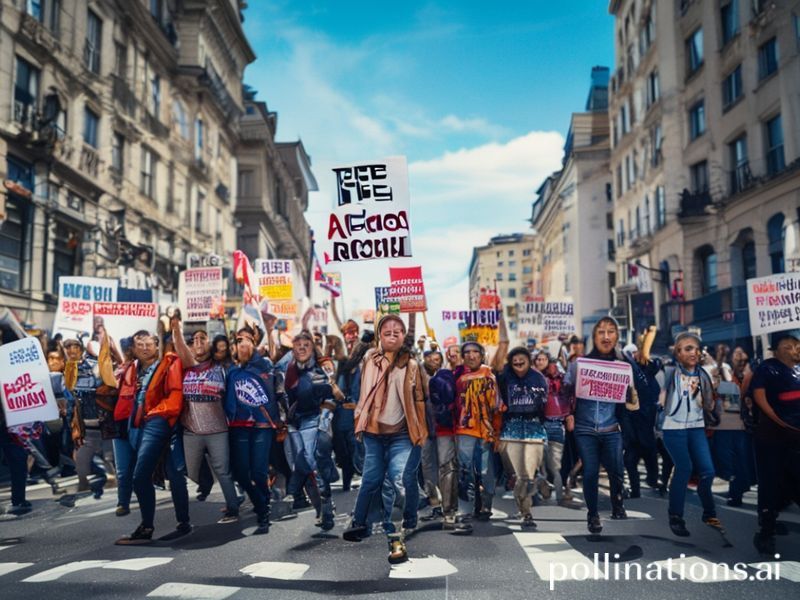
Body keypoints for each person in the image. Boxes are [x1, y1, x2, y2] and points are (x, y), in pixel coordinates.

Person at [343, 314, 427, 565]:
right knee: (371, 480)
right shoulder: (370, 358)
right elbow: (352, 370)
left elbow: (420, 398)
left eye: (397, 330)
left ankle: (396, 538)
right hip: (373, 434)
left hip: (401, 434)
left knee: (399, 480)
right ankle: (359, 523)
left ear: (403, 336)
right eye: (386, 329)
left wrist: (420, 429)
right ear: (379, 334)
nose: (392, 333)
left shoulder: (411, 363)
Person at [565, 317, 637, 534]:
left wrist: (629, 387)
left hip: (612, 428)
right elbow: (566, 392)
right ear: (593, 337)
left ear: (617, 336)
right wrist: (568, 412)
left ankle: (617, 502)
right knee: (590, 473)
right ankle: (593, 515)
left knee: (616, 470)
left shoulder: (623, 366)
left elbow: (633, 403)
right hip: (585, 428)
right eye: (601, 332)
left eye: (611, 332)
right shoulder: (579, 364)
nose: (606, 337)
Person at [116, 333, 188, 545]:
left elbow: (175, 395)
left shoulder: (169, 362)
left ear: (157, 345)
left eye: (149, 344)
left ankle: (148, 526)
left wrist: (157, 413)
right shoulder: (131, 369)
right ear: (134, 348)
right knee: (173, 474)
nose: (145, 347)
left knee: (141, 476)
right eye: (140, 344)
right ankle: (182, 523)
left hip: (159, 420)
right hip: (138, 424)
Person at [657, 331, 723, 538]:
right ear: (677, 353)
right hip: (673, 428)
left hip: (696, 427)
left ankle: (709, 512)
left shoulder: (704, 374)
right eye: (686, 349)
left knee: (708, 471)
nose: (692, 352)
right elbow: (659, 396)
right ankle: (675, 516)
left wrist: (714, 385)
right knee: (684, 468)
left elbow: (710, 405)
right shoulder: (668, 372)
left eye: (695, 348)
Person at [173, 324, 240, 524]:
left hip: (218, 430)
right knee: (188, 470)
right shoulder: (185, 369)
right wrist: (174, 327)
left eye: (203, 338)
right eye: (194, 341)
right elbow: (177, 345)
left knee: (223, 470)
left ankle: (233, 508)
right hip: (191, 431)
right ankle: (206, 480)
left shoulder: (223, 368)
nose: (198, 343)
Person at [224, 325, 284, 535]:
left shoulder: (263, 364)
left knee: (259, 471)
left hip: (262, 425)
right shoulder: (232, 370)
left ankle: (263, 512)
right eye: (239, 340)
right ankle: (260, 502)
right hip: (238, 426)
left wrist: (268, 329)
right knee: (241, 473)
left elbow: (272, 353)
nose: (243, 343)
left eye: (247, 339)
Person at [751, 330, 800, 555]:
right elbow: (759, 398)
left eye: (797, 345)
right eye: (789, 346)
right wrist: (779, 421)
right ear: (776, 349)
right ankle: (766, 532)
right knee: (770, 482)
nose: (795, 350)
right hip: (771, 437)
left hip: (795, 439)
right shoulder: (766, 368)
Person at [284, 331, 337, 532]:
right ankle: (320, 509)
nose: (302, 348)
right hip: (292, 423)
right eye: (298, 345)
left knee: (313, 463)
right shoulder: (286, 369)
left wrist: (323, 424)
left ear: (313, 348)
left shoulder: (322, 369)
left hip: (314, 420)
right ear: (293, 349)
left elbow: (332, 398)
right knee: (302, 466)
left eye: (307, 344)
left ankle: (326, 507)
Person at [497, 347, 548, 528]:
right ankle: (536, 484)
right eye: (514, 360)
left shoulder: (539, 378)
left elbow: (544, 405)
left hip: (533, 428)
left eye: (522, 360)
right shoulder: (504, 377)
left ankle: (526, 512)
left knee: (524, 475)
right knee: (519, 475)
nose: (518, 363)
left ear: (529, 360)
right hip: (511, 429)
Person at [454, 341, 499, 521]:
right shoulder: (458, 378)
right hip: (465, 430)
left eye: (475, 352)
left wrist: (497, 432)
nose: (471, 356)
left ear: (481, 355)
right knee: (464, 470)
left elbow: (496, 406)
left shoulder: (489, 375)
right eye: (467, 352)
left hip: (486, 432)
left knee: (485, 471)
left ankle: (486, 504)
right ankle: (465, 509)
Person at [709, 346, 756, 507]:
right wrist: (720, 358)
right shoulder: (729, 376)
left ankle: (737, 492)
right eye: (736, 355)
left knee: (742, 461)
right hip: (727, 425)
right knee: (729, 461)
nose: (739, 357)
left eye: (742, 354)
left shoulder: (751, 376)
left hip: (744, 427)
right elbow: (721, 378)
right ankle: (736, 491)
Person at [64, 337, 110, 498]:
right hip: (78, 416)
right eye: (68, 348)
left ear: (81, 348)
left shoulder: (93, 365)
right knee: (80, 450)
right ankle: (87, 480)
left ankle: (107, 477)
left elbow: (102, 384)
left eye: (74, 347)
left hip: (97, 415)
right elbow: (69, 390)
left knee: (100, 450)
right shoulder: (68, 367)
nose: (71, 351)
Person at [620, 331, 661, 498]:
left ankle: (653, 480)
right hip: (631, 425)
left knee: (650, 456)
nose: (635, 355)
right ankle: (635, 490)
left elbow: (655, 364)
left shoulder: (648, 369)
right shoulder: (626, 371)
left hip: (646, 422)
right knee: (630, 461)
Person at [536, 351, 573, 506]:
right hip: (541, 424)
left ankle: (558, 495)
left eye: (553, 364)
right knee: (540, 463)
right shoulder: (538, 378)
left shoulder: (564, 381)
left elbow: (571, 394)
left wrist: (570, 414)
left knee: (554, 466)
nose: (552, 367)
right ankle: (545, 486)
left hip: (557, 425)